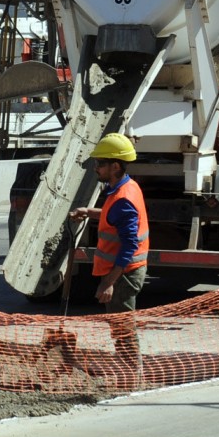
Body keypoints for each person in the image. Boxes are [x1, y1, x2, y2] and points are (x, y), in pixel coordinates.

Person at [69, 132, 149, 312]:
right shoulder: (127, 187)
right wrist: (89, 212)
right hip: (125, 271)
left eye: (100, 164)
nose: (96, 168)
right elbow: (113, 217)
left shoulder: (123, 199)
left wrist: (108, 282)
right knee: (120, 330)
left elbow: (129, 244)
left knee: (123, 332)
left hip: (123, 275)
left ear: (115, 166)